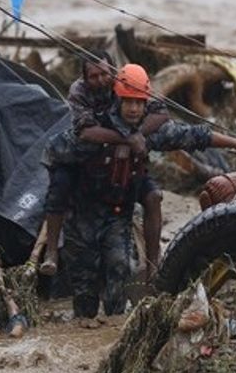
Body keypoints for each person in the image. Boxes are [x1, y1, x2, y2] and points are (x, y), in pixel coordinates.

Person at [47, 64, 236, 322]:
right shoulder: (94, 128)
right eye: (128, 102)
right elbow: (55, 151)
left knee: (119, 270)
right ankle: (83, 325)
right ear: (117, 99)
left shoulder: (148, 131)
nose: (133, 109)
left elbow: (195, 135)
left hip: (117, 214)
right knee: (84, 289)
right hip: (82, 216)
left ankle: (114, 325)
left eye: (139, 103)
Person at [39, 52, 168, 276]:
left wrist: (137, 134)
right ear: (85, 77)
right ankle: (51, 252)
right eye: (94, 76)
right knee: (59, 187)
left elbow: (162, 112)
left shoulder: (126, 82)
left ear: (114, 72)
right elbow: (87, 132)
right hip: (81, 156)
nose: (100, 80)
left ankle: (153, 264)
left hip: (120, 158)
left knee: (152, 196)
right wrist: (127, 138)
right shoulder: (78, 92)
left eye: (104, 74)